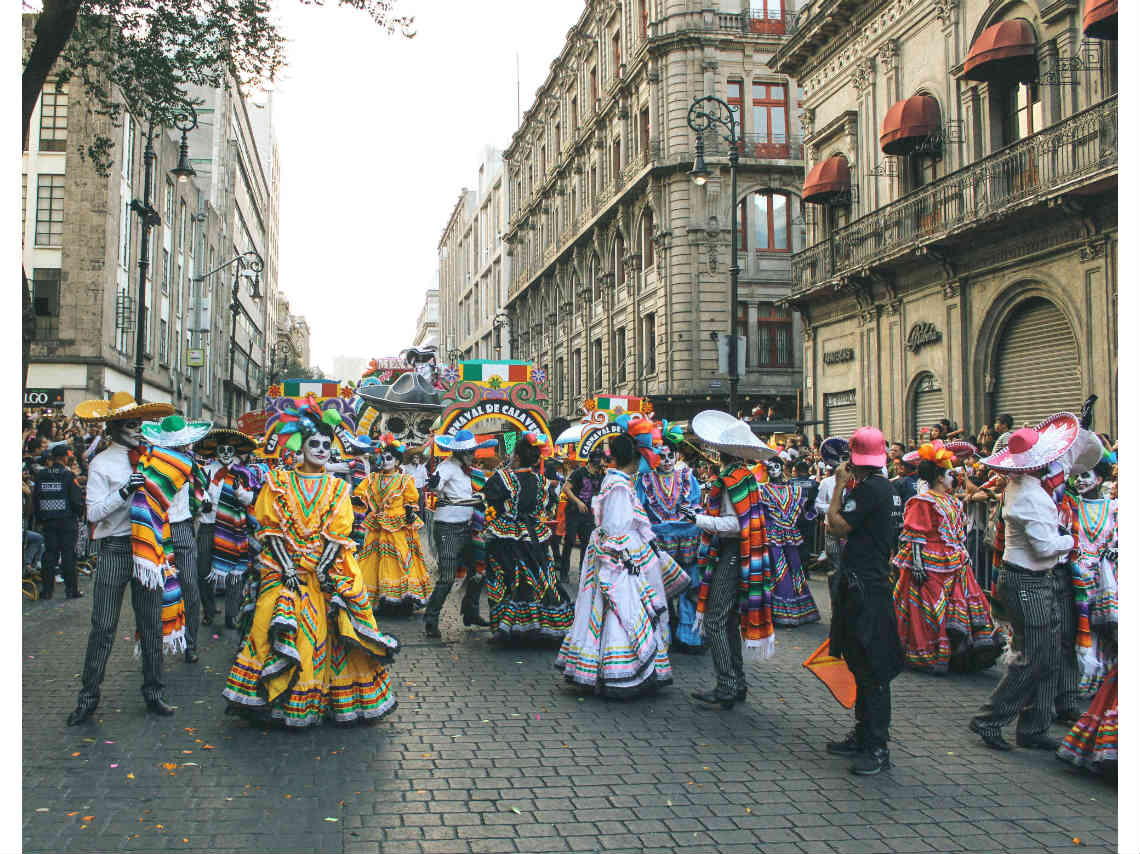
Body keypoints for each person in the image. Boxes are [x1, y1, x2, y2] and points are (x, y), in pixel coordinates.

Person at [223, 404, 399, 726]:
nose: (321, 450)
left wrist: (323, 566)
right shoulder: (278, 482)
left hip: (324, 573)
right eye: (314, 444)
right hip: (283, 570)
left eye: (326, 445)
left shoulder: (337, 487)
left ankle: (320, 700)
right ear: (300, 447)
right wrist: (289, 568)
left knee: (324, 634)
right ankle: (273, 700)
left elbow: (338, 533)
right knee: (267, 624)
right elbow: (271, 529)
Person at [969, 413, 1102, 752]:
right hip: (1027, 581)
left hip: (1031, 579)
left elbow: (1080, 453)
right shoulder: (1029, 496)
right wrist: (1071, 541)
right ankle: (991, 718)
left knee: (1049, 653)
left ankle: (1034, 726)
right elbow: (1046, 547)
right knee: (1034, 657)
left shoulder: (1029, 487)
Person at [67, 392, 180, 725]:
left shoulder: (152, 457)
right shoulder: (102, 463)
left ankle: (154, 693)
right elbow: (93, 512)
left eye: (139, 423)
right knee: (103, 626)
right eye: (130, 424)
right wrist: (125, 491)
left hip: (148, 549)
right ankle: (88, 698)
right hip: (115, 549)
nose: (136, 429)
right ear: (114, 427)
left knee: (150, 624)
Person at [556, 421, 688, 697]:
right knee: (621, 610)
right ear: (637, 457)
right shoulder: (618, 485)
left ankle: (610, 669)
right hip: (619, 559)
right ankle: (619, 673)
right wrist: (617, 562)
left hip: (621, 556)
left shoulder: (620, 482)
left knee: (613, 611)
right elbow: (615, 529)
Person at [824, 427, 904, 775]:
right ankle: (863, 734)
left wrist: (839, 486)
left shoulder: (870, 490)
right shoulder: (886, 488)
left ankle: (877, 746)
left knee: (872, 668)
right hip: (865, 583)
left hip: (866, 588)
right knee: (859, 661)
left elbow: (836, 526)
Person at [687, 410, 779, 711]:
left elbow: (732, 524)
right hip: (744, 554)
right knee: (727, 620)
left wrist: (699, 519)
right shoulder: (746, 478)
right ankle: (736, 682)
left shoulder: (729, 480)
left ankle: (727, 684)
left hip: (731, 553)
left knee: (715, 620)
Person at [891, 442, 1004, 673]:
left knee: (954, 606)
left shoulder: (951, 500)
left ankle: (955, 654)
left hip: (955, 561)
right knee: (931, 608)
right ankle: (931, 652)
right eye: (951, 474)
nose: (955, 478)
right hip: (930, 562)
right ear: (940, 478)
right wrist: (918, 563)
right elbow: (914, 535)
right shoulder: (922, 501)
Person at [481, 432, 573, 643]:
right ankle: (537, 624)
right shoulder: (542, 481)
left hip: (506, 536)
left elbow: (488, 502)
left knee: (505, 578)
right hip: (535, 535)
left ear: (517, 457)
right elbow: (548, 507)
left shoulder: (503, 478)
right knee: (538, 578)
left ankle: (507, 626)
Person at [141, 415, 213, 663]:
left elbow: (201, 495)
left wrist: (202, 503)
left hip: (182, 528)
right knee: (156, 591)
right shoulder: (152, 463)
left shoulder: (192, 466)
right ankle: (156, 645)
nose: (184, 447)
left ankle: (189, 643)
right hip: (158, 528)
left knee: (191, 590)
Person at [635, 422, 703, 651]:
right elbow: (639, 508)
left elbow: (693, 503)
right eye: (661, 456)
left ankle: (687, 635)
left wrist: (688, 518)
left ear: (676, 455)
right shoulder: (645, 479)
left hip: (686, 541)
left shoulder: (686, 476)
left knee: (688, 586)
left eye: (669, 455)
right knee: (657, 587)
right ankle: (660, 634)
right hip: (658, 540)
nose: (666, 460)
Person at [422, 430, 495, 638]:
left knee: (478, 571)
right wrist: (436, 484)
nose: (473, 455)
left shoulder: (467, 470)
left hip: (467, 526)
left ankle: (470, 613)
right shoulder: (447, 467)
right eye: (470, 451)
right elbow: (436, 486)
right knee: (446, 576)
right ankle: (431, 618)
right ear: (460, 452)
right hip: (447, 528)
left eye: (473, 451)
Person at [354, 433, 431, 616]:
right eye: (383, 457)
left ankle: (403, 599)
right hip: (378, 526)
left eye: (389, 458)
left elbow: (411, 500)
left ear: (397, 462)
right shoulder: (373, 478)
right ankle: (382, 598)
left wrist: (411, 512)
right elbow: (361, 493)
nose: (385, 461)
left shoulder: (405, 480)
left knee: (400, 561)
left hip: (399, 527)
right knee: (375, 562)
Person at [197, 429, 257, 629]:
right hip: (208, 526)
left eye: (229, 449)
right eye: (221, 449)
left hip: (234, 529)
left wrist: (240, 492)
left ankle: (232, 614)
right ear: (215, 451)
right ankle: (209, 609)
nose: (225, 453)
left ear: (235, 451)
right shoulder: (206, 471)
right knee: (203, 571)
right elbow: (196, 494)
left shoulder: (243, 473)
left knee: (234, 573)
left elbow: (250, 500)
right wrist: (202, 500)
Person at [758, 454, 819, 626]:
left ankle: (796, 610)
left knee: (795, 568)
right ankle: (778, 612)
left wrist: (810, 511)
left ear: (782, 468)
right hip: (771, 536)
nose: (773, 470)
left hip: (790, 535)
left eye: (776, 466)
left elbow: (807, 511)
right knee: (778, 570)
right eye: (770, 467)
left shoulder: (794, 490)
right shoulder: (762, 489)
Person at [31, 443, 85, 600]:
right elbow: (76, 501)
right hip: (67, 521)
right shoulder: (68, 476)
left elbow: (36, 498)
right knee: (68, 555)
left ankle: (46, 591)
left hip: (48, 521)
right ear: (64, 457)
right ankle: (71, 590)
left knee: (49, 555)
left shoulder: (41, 475)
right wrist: (79, 514)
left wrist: (40, 518)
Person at [559, 450, 606, 582]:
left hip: (588, 515)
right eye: (601, 461)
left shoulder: (600, 475)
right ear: (594, 462)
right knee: (569, 542)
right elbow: (566, 488)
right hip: (573, 512)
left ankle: (583, 573)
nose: (603, 464)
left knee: (586, 544)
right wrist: (578, 502)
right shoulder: (579, 473)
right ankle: (564, 572)